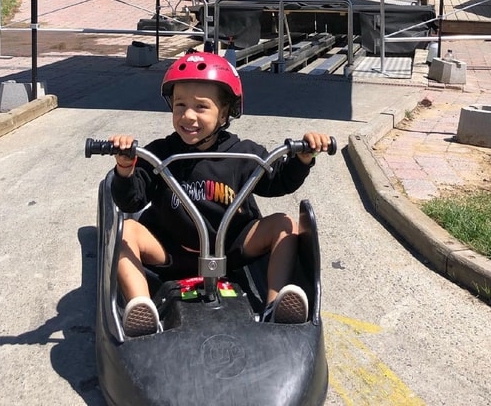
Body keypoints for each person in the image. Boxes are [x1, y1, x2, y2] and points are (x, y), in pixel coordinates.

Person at [109, 51, 333, 337]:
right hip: (173, 250)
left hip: (229, 249)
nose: (188, 115)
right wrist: (125, 168)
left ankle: (275, 304)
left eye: (201, 107)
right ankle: (141, 307)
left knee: (284, 224)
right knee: (125, 231)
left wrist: (301, 159)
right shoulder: (159, 153)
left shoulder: (244, 154)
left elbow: (277, 182)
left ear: (225, 113)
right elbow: (132, 201)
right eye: (180, 105)